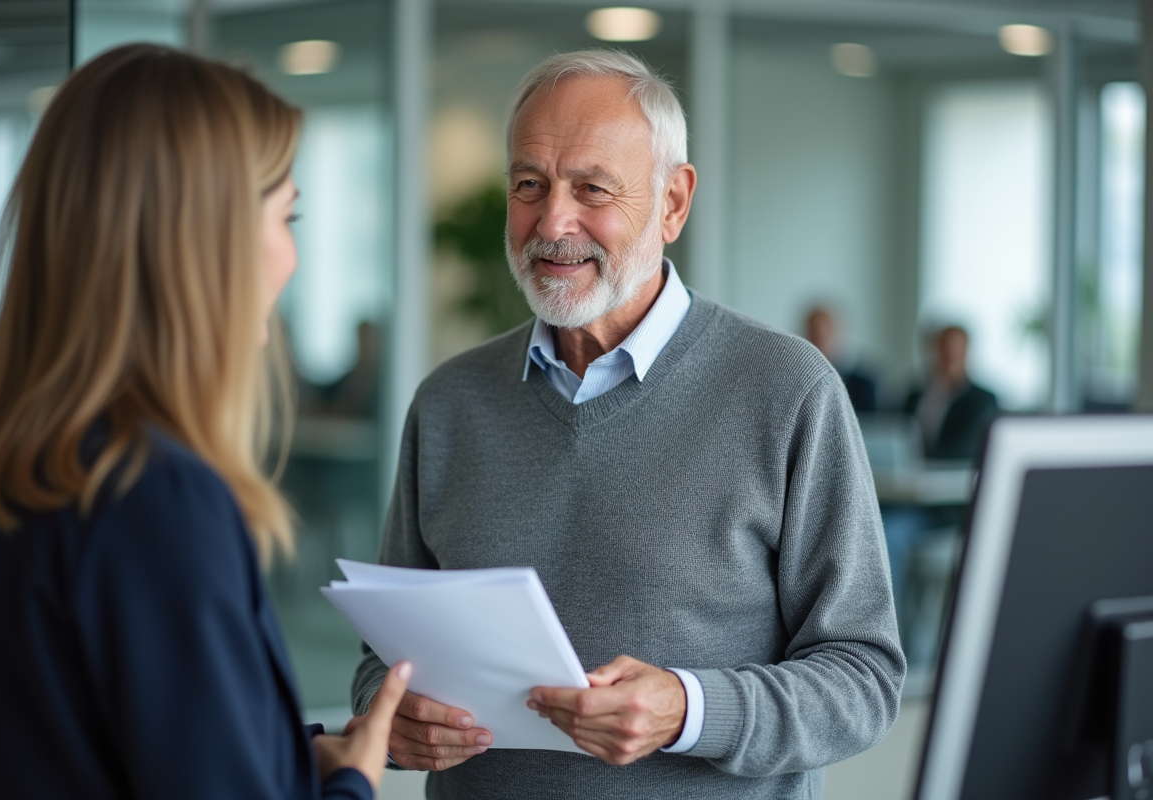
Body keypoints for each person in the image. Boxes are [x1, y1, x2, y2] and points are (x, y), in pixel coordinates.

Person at [353, 50, 905, 800]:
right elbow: (380, 664)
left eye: (592, 189)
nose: (553, 221)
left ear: (673, 202)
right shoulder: (449, 402)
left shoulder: (787, 389)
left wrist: (690, 709)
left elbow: (864, 680)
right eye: (529, 186)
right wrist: (392, 716)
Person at [0, 44, 409, 800]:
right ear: (205, 239)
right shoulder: (156, 498)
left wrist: (289, 761)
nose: (293, 259)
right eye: (285, 215)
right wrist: (353, 784)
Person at [904, 324, 999, 461]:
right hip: (908, 474)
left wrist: (916, 457)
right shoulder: (915, 394)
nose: (949, 356)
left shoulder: (982, 400)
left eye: (955, 350)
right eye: (943, 349)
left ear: (965, 352)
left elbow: (963, 449)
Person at [803, 304, 878, 412]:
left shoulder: (864, 386)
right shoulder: (798, 382)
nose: (819, 342)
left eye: (824, 334)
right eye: (814, 333)